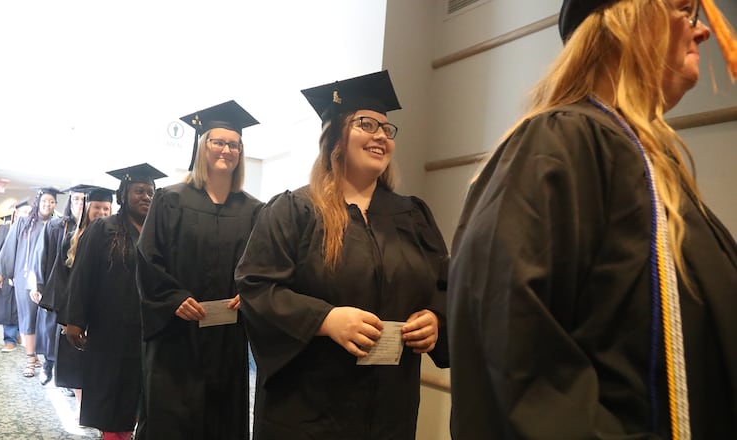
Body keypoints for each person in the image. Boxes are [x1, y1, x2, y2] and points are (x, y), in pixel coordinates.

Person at [447, 0, 737, 438]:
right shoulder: (561, 143)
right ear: (629, 20)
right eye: (684, 9)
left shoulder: (658, 171)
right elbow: (516, 364)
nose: (704, 32)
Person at [235, 70, 450, 440]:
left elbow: (445, 284)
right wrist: (327, 319)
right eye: (367, 124)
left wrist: (436, 319)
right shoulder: (294, 211)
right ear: (335, 136)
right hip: (309, 411)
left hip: (390, 410)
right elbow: (257, 289)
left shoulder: (413, 216)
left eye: (387, 128)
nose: (382, 135)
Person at [136, 101, 262, 439]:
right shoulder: (170, 200)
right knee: (173, 421)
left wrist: (246, 296)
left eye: (234, 144)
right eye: (218, 142)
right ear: (201, 147)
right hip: (177, 337)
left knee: (222, 420)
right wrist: (173, 297)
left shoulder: (254, 210)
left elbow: (260, 267)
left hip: (226, 339)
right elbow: (148, 258)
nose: (226, 150)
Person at [64, 163, 166, 439]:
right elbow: (82, 276)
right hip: (111, 329)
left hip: (150, 329)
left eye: (151, 192)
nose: (146, 196)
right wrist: (74, 320)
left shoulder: (159, 232)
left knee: (145, 395)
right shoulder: (103, 229)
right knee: (114, 396)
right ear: (123, 195)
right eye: (140, 191)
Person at [46, 186, 114, 416]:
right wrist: (69, 317)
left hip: (105, 312)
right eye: (97, 207)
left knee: (100, 365)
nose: (102, 212)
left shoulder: (118, 238)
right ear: (88, 209)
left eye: (106, 208)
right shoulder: (72, 239)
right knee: (77, 362)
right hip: (76, 311)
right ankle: (81, 408)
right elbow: (61, 280)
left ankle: (97, 410)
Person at [0, 188, 60, 377]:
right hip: (25, 278)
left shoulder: (58, 225)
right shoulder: (24, 223)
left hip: (49, 280)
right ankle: (31, 359)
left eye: (52, 202)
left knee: (48, 320)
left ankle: (48, 359)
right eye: (45, 200)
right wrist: (0, 273)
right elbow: (9, 247)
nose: (48, 204)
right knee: (28, 317)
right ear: (38, 202)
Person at [35, 186, 85, 386]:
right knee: (50, 329)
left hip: (78, 289)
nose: (80, 204)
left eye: (83, 200)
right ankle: (47, 365)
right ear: (69, 203)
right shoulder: (56, 226)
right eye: (75, 200)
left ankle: (67, 376)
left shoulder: (95, 228)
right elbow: (43, 256)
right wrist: (39, 286)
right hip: (56, 287)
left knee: (71, 332)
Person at [0, 200, 31, 351]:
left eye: (30, 213)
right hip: (6, 275)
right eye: (24, 212)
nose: (27, 215)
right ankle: (9, 339)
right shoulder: (4, 229)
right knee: (7, 307)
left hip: (24, 277)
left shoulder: (33, 230)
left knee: (23, 307)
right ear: (16, 214)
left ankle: (18, 333)